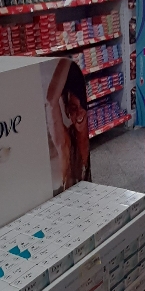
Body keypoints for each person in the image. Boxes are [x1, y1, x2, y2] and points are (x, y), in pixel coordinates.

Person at [45, 59, 91, 192]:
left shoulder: (88, 139)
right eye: (73, 107)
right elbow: (51, 101)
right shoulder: (66, 143)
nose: (79, 112)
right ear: (67, 111)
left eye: (82, 105)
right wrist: (68, 60)